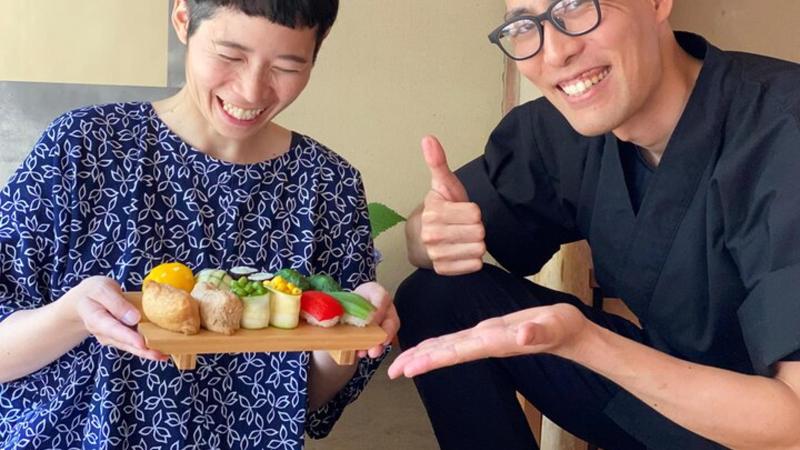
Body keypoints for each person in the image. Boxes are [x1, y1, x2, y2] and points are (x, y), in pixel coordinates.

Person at [389, 0, 800, 449]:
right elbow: (426, 231)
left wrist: (589, 344)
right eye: (523, 25)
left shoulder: (782, 127)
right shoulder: (562, 130)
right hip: (661, 396)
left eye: (575, 5)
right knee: (436, 297)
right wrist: (434, 233)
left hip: (769, 423)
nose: (554, 52)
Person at [0, 0, 399, 448]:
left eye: (286, 67)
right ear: (183, 18)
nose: (251, 91)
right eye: (230, 55)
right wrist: (74, 315)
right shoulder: (83, 147)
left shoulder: (328, 184)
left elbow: (306, 402)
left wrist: (347, 334)